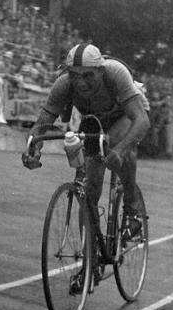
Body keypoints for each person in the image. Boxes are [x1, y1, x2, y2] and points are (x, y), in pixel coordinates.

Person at [21, 43, 150, 238]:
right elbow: (44, 121)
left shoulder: (115, 73)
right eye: (75, 75)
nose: (80, 83)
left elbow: (141, 121)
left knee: (115, 143)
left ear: (100, 70)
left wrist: (121, 151)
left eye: (88, 75)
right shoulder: (63, 84)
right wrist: (33, 146)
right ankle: (90, 256)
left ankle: (133, 208)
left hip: (126, 114)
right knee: (90, 187)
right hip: (95, 119)